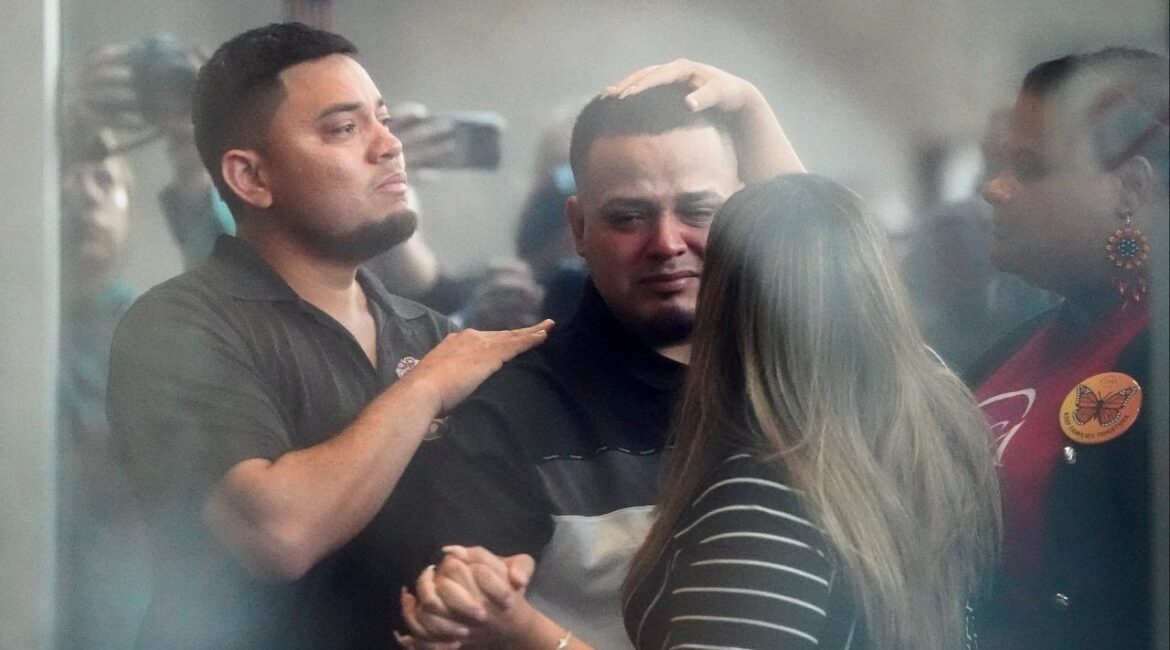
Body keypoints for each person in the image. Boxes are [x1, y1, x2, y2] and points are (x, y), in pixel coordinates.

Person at [105, 22, 551, 649]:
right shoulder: (179, 325)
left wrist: (492, 581)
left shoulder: (424, 331)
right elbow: (276, 534)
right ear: (250, 177)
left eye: (384, 119)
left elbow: (487, 540)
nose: (390, 146)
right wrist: (425, 388)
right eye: (345, 128)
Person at [396, 60, 805, 649]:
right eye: (628, 217)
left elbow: (843, 282)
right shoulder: (510, 416)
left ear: (745, 218)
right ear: (579, 227)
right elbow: (460, 627)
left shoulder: (798, 373)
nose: (666, 243)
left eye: (700, 212)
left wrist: (752, 107)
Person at [971, 47, 1168, 649]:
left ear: (1129, 189)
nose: (994, 190)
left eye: (1030, 169)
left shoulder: (1154, 362)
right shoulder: (1014, 349)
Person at [57, 118, 151, 649]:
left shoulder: (152, 335)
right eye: (69, 177)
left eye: (105, 180)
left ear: (129, 210)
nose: (85, 198)